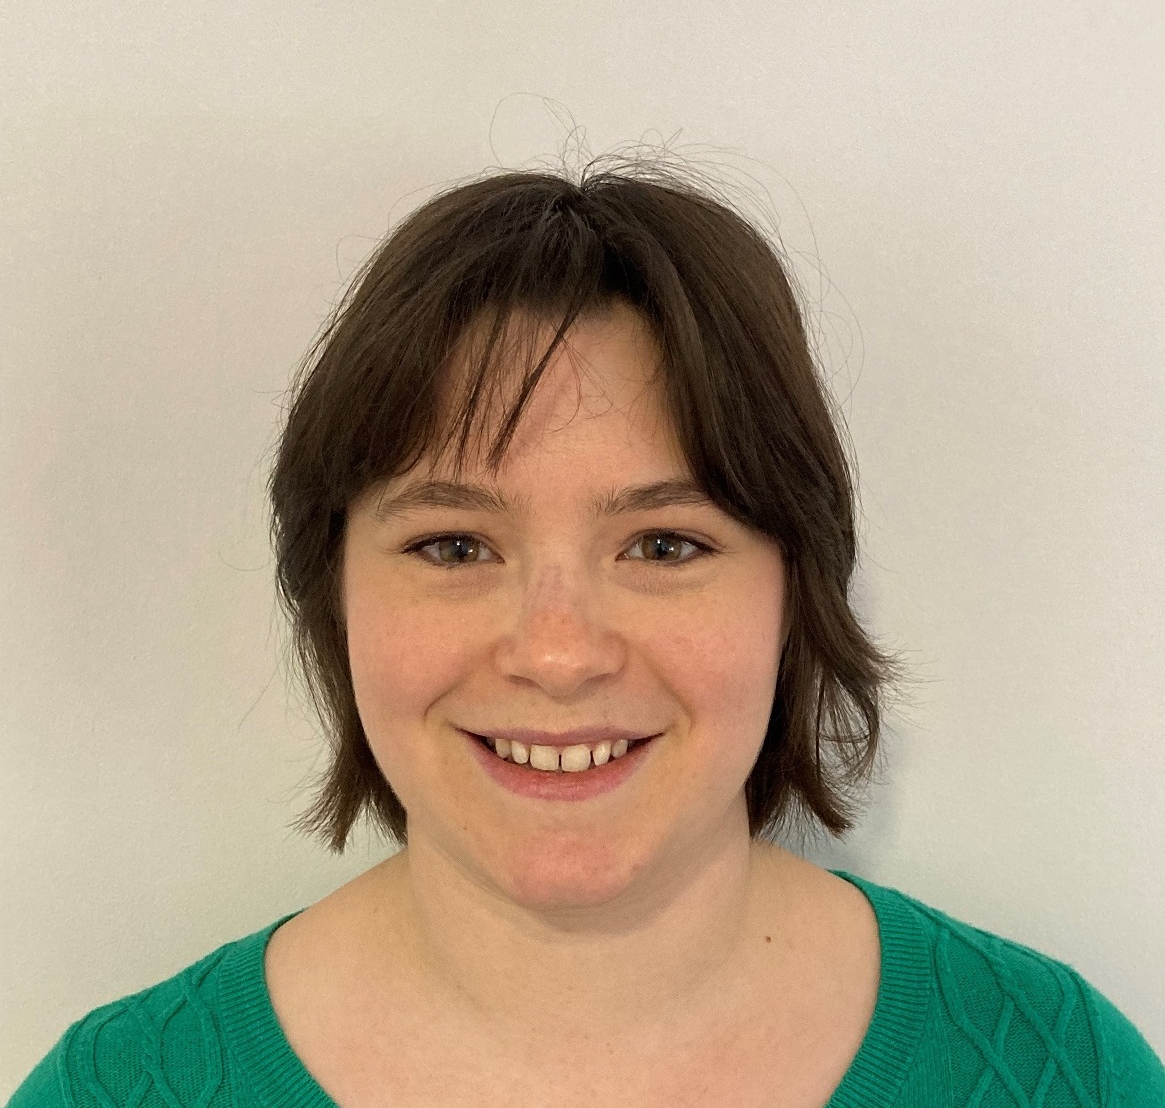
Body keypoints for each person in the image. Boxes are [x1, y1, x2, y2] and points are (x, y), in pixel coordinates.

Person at [9, 159, 1164, 1108]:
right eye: (453, 546)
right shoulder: (115, 1093)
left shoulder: (1059, 1074)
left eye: (663, 544)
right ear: (335, 596)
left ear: (795, 590)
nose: (557, 654)